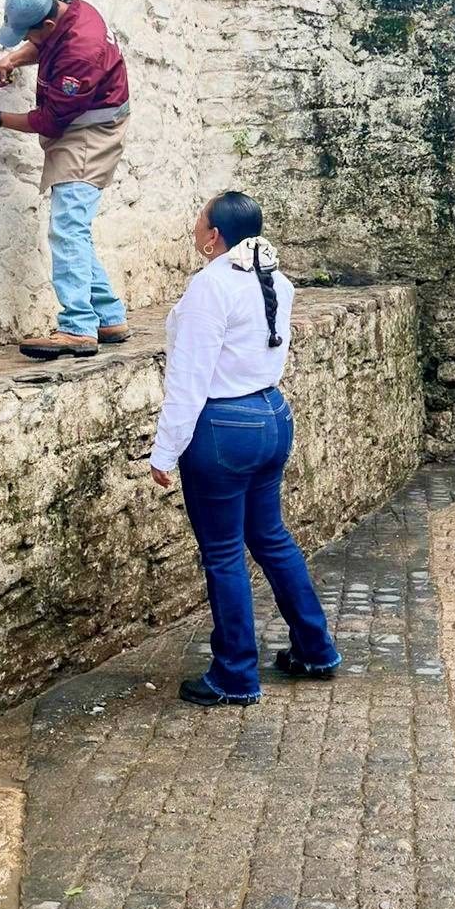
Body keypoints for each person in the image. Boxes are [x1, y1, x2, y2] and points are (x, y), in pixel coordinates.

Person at [149, 191, 341, 707]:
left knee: (224, 553)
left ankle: (235, 674)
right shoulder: (276, 279)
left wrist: (165, 451)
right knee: (271, 537)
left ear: (214, 236)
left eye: (199, 220)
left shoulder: (211, 286)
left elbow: (189, 379)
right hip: (272, 415)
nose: (194, 227)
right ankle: (316, 648)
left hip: (224, 428)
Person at [0, 0, 130, 359]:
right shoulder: (69, 8)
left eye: (27, 35)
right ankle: (108, 316)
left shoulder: (81, 53)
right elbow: (43, 45)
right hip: (84, 123)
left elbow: (49, 120)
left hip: (91, 133)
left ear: (49, 24)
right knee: (75, 230)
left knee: (68, 227)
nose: (25, 40)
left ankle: (78, 328)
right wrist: (12, 60)